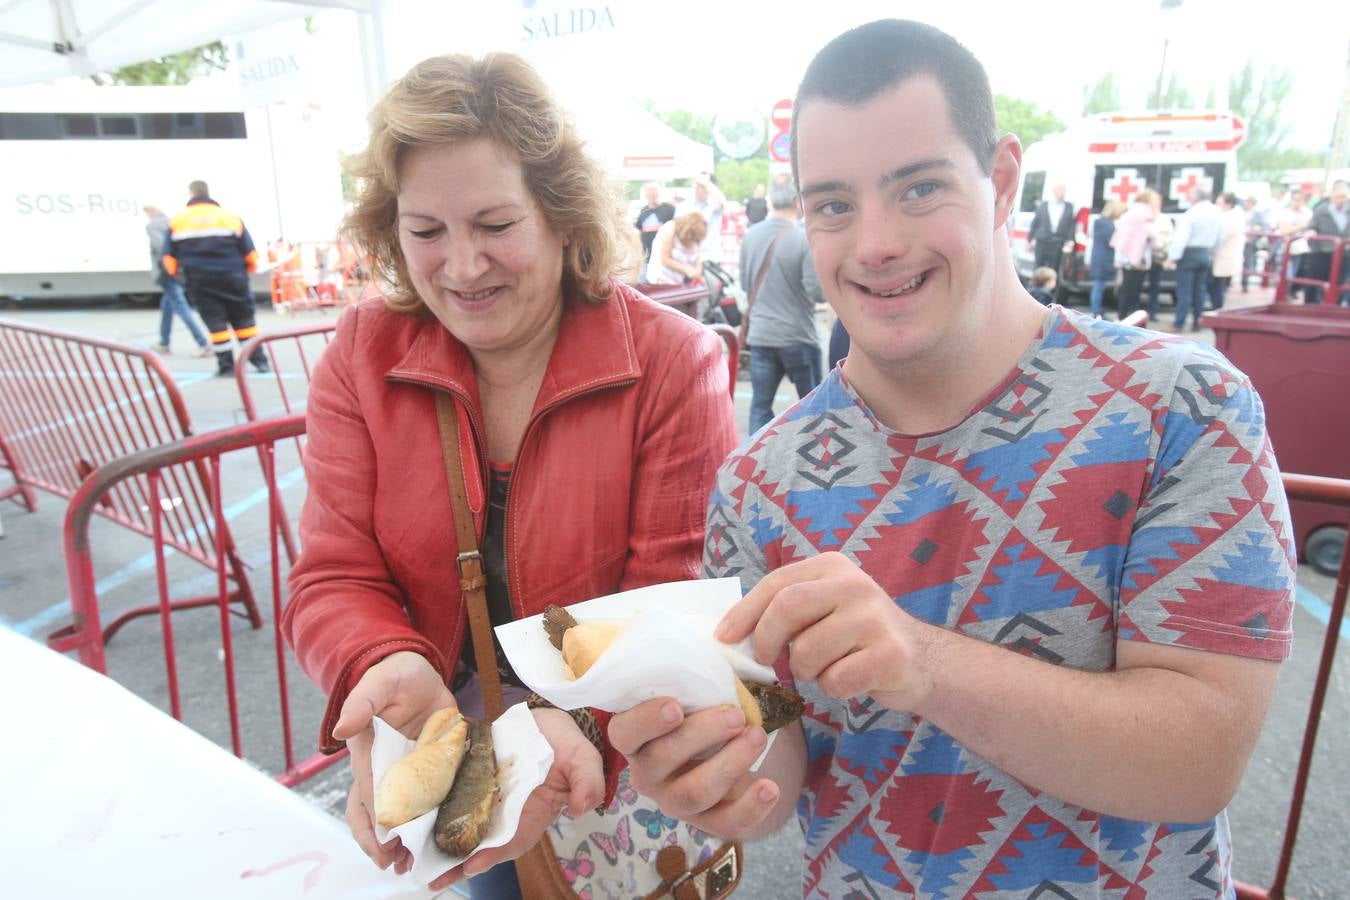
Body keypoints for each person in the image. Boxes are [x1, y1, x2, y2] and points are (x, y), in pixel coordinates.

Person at [607, 19, 1293, 899]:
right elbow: (782, 757)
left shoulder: (1182, 406)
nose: (876, 242)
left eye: (920, 188)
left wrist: (922, 665)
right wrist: (718, 778)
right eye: (833, 205)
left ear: (1001, 181)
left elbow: (1199, 761)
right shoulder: (759, 481)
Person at [280, 52, 738, 898]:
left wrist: (571, 724)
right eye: (426, 232)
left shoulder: (675, 362)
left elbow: (667, 597)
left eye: (494, 225)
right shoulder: (359, 353)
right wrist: (379, 662)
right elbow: (333, 573)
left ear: (562, 218)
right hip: (446, 742)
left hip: (616, 756)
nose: (461, 267)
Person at [740, 173, 825, 434]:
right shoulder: (802, 238)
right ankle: (811, 466)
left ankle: (755, 469)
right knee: (814, 411)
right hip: (798, 336)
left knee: (760, 407)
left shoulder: (750, 236)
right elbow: (816, 291)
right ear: (798, 201)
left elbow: (745, 284)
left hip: (761, 336)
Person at [162, 181, 270, 376]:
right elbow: (250, 254)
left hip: (200, 279)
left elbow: (169, 259)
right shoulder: (229, 218)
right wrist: (247, 270)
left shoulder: (178, 221)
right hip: (233, 275)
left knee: (216, 323)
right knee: (245, 321)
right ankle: (259, 361)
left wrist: (178, 276)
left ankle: (226, 366)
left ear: (191, 193)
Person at [143, 205, 211, 357]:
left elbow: (162, 249)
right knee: (167, 306)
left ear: (151, 211)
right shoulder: (172, 222)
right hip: (178, 269)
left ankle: (203, 343)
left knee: (180, 306)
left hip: (167, 272)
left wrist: (169, 269)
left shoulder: (153, 226)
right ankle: (164, 342)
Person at [1164, 186, 1223, 331]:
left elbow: (1181, 238)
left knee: (1184, 290)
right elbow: (1220, 237)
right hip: (1205, 253)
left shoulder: (1192, 213)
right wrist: (1214, 254)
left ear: (1195, 197)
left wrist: (1172, 257)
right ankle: (1198, 321)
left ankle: (1179, 322)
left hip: (1189, 254)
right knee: (1200, 290)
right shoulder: (1217, 212)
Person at [1110, 187, 1161, 321]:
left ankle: (1123, 315)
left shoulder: (1130, 213)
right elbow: (1152, 236)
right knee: (1132, 290)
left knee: (1127, 288)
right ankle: (1127, 317)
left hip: (1125, 257)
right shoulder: (1144, 216)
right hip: (1138, 259)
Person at [1303, 179, 1349, 305]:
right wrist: (1311, 231)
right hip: (1322, 251)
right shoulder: (1321, 210)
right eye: (1338, 197)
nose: (1341, 200)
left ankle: (1336, 306)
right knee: (1316, 281)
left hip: (1345, 253)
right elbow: (1312, 226)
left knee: (1340, 282)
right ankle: (1311, 306)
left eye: (1344, 197)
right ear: (1332, 195)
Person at [1208, 192, 1248, 311]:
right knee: (1218, 285)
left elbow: (1220, 237)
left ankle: (1217, 309)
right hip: (1224, 257)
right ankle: (1216, 307)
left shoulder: (1230, 218)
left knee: (1218, 285)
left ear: (1228, 204)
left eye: (1219, 203)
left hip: (1225, 257)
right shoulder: (1233, 216)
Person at [644, 211, 707, 285]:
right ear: (689, 231)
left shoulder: (697, 237)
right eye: (694, 238)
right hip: (663, 281)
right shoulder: (670, 228)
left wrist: (697, 272)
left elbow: (698, 257)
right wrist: (687, 270)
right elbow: (664, 260)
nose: (695, 242)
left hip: (682, 283)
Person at [677, 171, 727, 264]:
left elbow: (722, 202)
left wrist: (707, 183)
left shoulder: (714, 206)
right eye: (697, 185)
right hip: (687, 261)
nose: (698, 188)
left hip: (711, 259)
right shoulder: (683, 206)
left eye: (702, 186)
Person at [1028, 181, 1075, 274]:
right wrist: (1029, 240)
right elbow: (1035, 223)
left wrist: (1070, 240)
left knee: (1054, 269)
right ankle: (1036, 287)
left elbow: (1071, 225)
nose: (1060, 194)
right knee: (1038, 268)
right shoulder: (1044, 205)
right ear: (1054, 192)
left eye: (1062, 192)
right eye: (1058, 191)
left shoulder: (1069, 207)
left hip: (1058, 242)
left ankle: (1052, 288)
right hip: (1042, 241)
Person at [1088, 200, 1124, 317]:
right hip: (1103, 259)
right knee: (1099, 286)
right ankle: (1096, 311)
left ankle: (1097, 310)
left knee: (1099, 285)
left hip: (1100, 257)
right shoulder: (1106, 224)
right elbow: (1113, 241)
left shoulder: (1100, 222)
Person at [1277, 190, 1313, 300]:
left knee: (1298, 273)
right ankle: (1284, 293)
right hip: (1288, 248)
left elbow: (1309, 226)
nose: (1296, 203)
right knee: (1288, 272)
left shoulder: (1308, 212)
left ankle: (1290, 292)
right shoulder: (1286, 212)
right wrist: (1300, 226)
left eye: (1299, 200)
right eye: (1295, 200)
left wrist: (1294, 227)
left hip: (1303, 249)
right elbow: (1285, 229)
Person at [634, 180, 675, 264]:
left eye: (654, 189)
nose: (652, 193)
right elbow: (638, 231)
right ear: (645, 193)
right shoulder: (644, 211)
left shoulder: (669, 209)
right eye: (649, 190)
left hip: (664, 259)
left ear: (659, 191)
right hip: (646, 258)